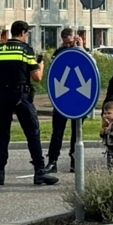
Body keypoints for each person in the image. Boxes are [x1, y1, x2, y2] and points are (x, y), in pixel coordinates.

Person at [0, 20, 57, 186]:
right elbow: (37, 77)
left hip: (2, 96)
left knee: (2, 134)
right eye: (26, 33)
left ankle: (0, 173)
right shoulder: (26, 50)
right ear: (23, 33)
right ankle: (39, 171)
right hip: (21, 96)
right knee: (32, 133)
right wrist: (41, 65)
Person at [44, 29, 83, 174]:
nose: (68, 46)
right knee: (57, 132)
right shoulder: (59, 52)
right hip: (62, 98)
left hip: (79, 99)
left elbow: (90, 66)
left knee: (76, 132)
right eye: (65, 43)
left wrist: (80, 48)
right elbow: (54, 72)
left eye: (70, 42)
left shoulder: (82, 51)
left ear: (76, 38)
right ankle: (52, 161)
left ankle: (75, 161)